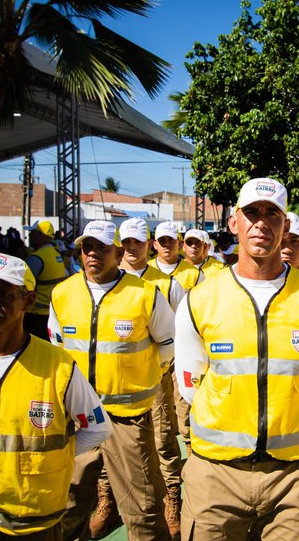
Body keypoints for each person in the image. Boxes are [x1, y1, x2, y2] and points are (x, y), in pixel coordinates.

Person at [174, 177, 299, 540]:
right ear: (234, 222)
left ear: (285, 227)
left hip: (298, 474)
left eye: (273, 214)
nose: (261, 222)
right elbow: (191, 385)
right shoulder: (199, 300)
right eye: (251, 212)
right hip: (216, 472)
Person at [0, 253, 111, 541]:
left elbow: (98, 428)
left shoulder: (58, 366)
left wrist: (53, 460)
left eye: (3, 294)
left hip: (31, 521)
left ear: (27, 300)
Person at [49, 220, 174, 541]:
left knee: (142, 507)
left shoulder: (145, 294)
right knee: (69, 502)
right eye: (86, 247)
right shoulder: (63, 294)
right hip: (78, 418)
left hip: (128, 419)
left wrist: (141, 377)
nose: (92, 254)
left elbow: (169, 345)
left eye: (101, 248)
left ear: (117, 253)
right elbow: (58, 350)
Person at [119, 216, 187, 539]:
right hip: (113, 381)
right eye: (126, 242)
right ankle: (109, 499)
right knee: (110, 447)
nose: (132, 248)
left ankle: (170, 498)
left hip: (156, 376)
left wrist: (159, 369)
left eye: (138, 242)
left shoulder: (166, 283)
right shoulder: (107, 280)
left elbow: (175, 335)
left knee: (162, 438)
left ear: (149, 245)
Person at [23, 220, 68, 340]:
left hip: (35, 315)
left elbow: (22, 286)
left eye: (33, 233)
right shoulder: (56, 254)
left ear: (41, 236)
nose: (30, 236)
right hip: (51, 312)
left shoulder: (36, 258)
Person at [149, 221, 204, 291]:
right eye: (162, 240)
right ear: (155, 245)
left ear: (180, 244)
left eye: (171, 240)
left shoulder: (195, 274)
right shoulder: (145, 268)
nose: (166, 244)